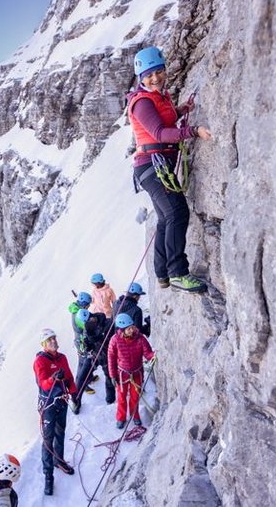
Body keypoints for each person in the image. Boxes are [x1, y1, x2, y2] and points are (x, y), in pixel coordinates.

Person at [127, 46, 212, 293]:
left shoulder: (157, 96)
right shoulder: (142, 102)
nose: (155, 79)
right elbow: (159, 133)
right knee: (177, 212)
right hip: (151, 166)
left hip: (154, 165)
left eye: (159, 72)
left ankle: (162, 274)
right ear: (140, 78)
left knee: (166, 217)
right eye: (149, 75)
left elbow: (163, 120)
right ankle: (178, 272)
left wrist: (180, 110)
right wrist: (192, 132)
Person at [33, 328, 76, 495]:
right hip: (48, 404)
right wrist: (53, 378)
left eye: (54, 338)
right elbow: (43, 383)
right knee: (47, 440)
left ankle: (59, 460)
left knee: (60, 433)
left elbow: (70, 377)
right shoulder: (40, 361)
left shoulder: (62, 358)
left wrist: (74, 392)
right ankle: (48, 476)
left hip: (61, 402)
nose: (53, 341)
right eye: (50, 340)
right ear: (44, 344)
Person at [107, 313, 156, 428]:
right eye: (128, 329)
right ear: (122, 330)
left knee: (135, 397)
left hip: (136, 373)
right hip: (122, 374)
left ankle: (135, 415)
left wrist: (153, 356)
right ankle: (121, 417)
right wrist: (112, 375)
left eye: (132, 327)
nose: (132, 330)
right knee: (121, 397)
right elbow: (111, 358)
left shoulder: (140, 338)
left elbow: (147, 352)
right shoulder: (115, 340)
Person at [68, 292, 98, 396]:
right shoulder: (78, 316)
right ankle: (81, 384)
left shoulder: (77, 310)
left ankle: (88, 378)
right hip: (82, 343)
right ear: (84, 303)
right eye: (88, 304)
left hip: (79, 341)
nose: (89, 306)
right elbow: (87, 327)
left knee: (87, 361)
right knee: (83, 363)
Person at [84, 312, 116, 404]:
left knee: (113, 374)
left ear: (92, 316)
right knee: (108, 375)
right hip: (101, 355)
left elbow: (114, 339)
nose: (90, 322)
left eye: (90, 319)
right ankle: (110, 399)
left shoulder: (108, 323)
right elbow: (89, 345)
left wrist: (100, 338)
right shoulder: (88, 327)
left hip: (112, 354)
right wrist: (88, 344)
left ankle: (113, 397)